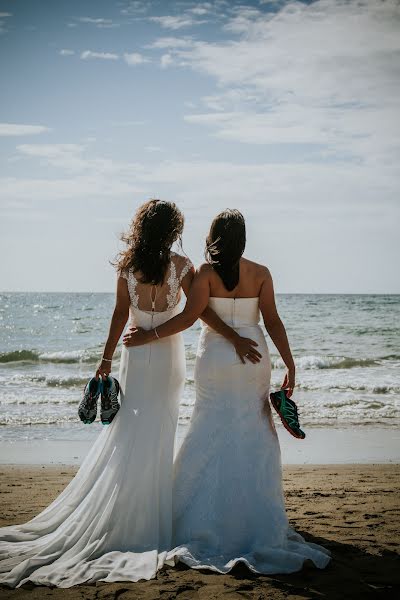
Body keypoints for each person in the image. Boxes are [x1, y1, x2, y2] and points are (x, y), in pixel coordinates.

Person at [0, 200, 257, 588]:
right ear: (172, 231)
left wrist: (106, 358)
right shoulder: (183, 267)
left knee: (131, 430)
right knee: (157, 430)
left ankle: (130, 510)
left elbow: (120, 315)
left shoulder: (127, 267)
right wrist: (233, 334)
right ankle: (147, 519)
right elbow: (196, 314)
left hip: (133, 357)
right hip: (167, 356)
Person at [123, 208, 331, 574]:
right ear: (244, 239)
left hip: (216, 357)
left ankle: (196, 519)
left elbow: (191, 317)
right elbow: (274, 321)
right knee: (254, 429)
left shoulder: (205, 273)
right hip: (254, 356)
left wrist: (149, 335)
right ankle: (253, 520)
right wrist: (290, 362)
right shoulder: (261, 273)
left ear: (214, 238)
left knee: (208, 426)